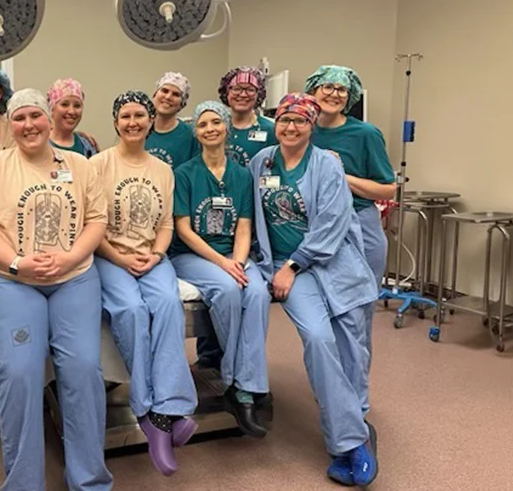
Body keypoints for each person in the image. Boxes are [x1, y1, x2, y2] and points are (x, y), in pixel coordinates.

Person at [0, 88, 113, 491]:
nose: (28, 125)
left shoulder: (80, 165)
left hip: (74, 276)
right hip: (8, 278)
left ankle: (90, 481)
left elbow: (97, 220)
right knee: (20, 372)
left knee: (83, 369)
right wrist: (16, 262)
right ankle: (23, 483)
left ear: (49, 120)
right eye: (18, 118)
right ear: (9, 125)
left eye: (35, 116)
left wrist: (69, 258)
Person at [249, 92, 379, 488]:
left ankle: (354, 416)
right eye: (285, 119)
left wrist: (293, 264)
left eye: (300, 121)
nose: (291, 127)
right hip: (289, 270)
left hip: (333, 263)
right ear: (275, 122)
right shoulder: (261, 162)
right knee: (319, 339)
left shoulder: (327, 165)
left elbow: (332, 224)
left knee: (351, 343)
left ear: (311, 126)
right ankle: (351, 440)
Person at [91, 90, 199, 477]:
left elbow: (167, 223)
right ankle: (150, 413)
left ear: (151, 121)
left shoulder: (163, 170)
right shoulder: (99, 164)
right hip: (108, 256)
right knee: (132, 310)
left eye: (140, 115)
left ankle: (170, 407)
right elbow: (92, 225)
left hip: (152, 256)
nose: (133, 122)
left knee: (168, 306)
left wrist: (155, 255)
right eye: (125, 116)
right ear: (116, 122)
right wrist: (119, 257)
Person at [169, 100, 272, 439]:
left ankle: (244, 382)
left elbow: (244, 226)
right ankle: (242, 387)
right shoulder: (184, 174)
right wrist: (223, 264)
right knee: (228, 290)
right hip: (193, 255)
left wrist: (239, 262)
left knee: (256, 291)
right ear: (196, 132)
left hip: (235, 254)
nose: (210, 129)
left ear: (227, 127)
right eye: (203, 124)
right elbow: (183, 229)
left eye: (216, 122)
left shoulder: (241, 175)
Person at [305, 65, 396, 370]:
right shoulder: (302, 128)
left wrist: (340, 176)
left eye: (341, 89)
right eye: (327, 87)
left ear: (350, 96)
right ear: (313, 90)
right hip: (317, 228)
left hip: (360, 224)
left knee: (357, 317)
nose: (333, 94)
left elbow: (388, 188)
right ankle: (330, 386)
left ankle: (355, 397)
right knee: (320, 314)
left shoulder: (365, 134)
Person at [219, 66, 279, 167]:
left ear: (259, 94)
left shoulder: (270, 130)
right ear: (226, 92)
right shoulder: (216, 127)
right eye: (237, 89)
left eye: (250, 90)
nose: (243, 95)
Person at [145, 72, 200, 169]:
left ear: (182, 104)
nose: (168, 97)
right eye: (164, 91)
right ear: (155, 94)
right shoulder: (139, 129)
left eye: (176, 94)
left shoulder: (191, 135)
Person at [48, 78, 100, 158]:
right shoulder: (39, 144)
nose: (72, 111)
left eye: (77, 106)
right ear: (52, 109)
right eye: (64, 104)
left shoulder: (88, 146)